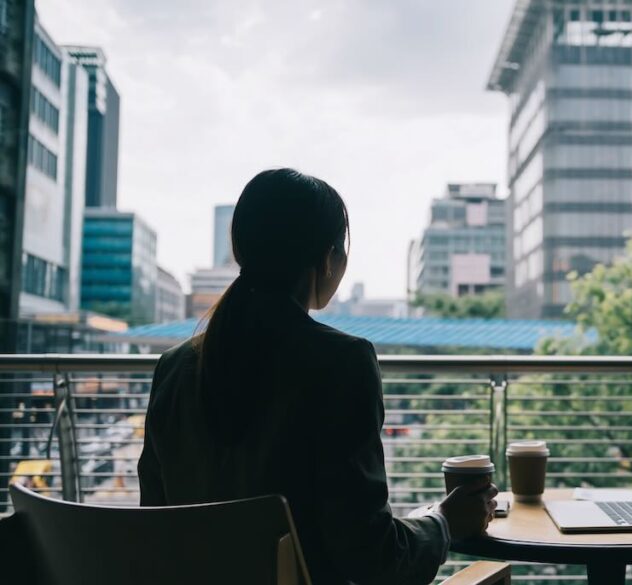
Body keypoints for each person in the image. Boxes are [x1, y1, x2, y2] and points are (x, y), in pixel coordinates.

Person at [138, 168, 497, 584]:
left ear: (240, 248)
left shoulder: (174, 368)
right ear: (328, 259)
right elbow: (372, 557)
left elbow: (155, 523)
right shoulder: (342, 363)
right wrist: (445, 522)